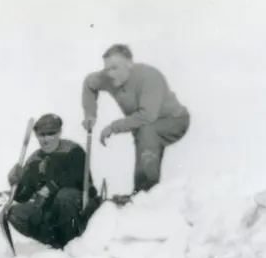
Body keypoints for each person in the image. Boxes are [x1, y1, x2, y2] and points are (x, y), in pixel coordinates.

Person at [82, 43, 191, 195]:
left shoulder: (149, 77)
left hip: (175, 121)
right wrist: (90, 114)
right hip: (146, 121)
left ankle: (145, 194)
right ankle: (143, 193)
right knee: (144, 132)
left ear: (129, 64)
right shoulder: (107, 78)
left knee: (147, 132)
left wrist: (113, 127)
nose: (110, 74)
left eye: (115, 68)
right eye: (107, 69)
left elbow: (147, 116)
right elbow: (89, 83)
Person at [2, 113, 100, 250]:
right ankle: (56, 243)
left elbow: (78, 177)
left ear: (59, 132)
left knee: (64, 196)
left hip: (77, 209)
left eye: (50, 134)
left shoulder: (73, 151)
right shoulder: (34, 160)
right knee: (15, 213)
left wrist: (51, 187)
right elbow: (22, 196)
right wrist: (15, 180)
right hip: (50, 213)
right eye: (41, 135)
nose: (46, 139)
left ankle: (74, 244)